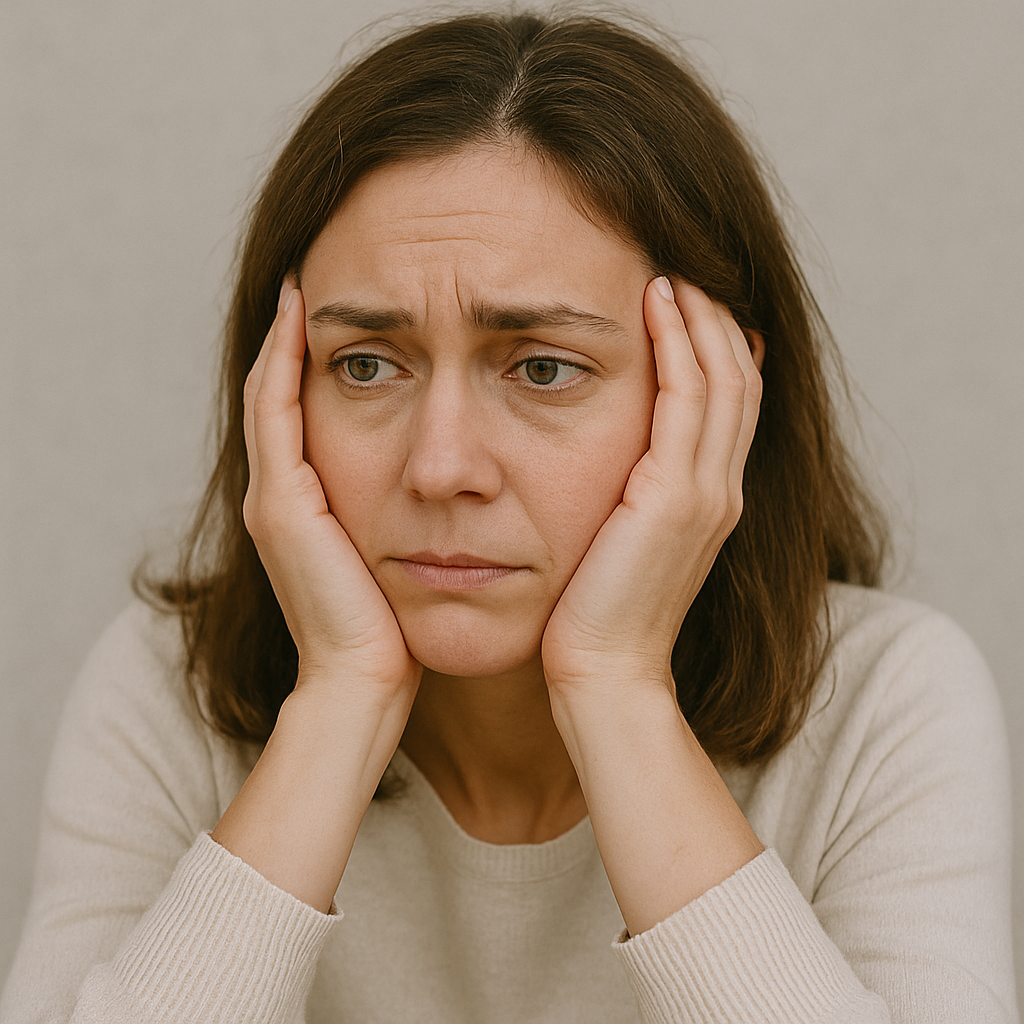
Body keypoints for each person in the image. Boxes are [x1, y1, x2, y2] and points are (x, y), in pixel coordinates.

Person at [0, 11, 1016, 1024]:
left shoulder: (886, 705)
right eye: (364, 364)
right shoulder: (165, 695)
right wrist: (340, 700)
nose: (441, 466)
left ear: (713, 398)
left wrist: (617, 687)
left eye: (542, 367)